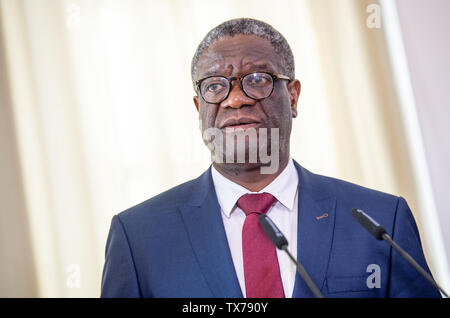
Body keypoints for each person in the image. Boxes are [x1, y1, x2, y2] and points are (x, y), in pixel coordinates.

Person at [101, 18, 441, 298]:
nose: (235, 100)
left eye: (257, 79)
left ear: (292, 96)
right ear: (198, 107)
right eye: (216, 86)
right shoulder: (139, 237)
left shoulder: (379, 221)